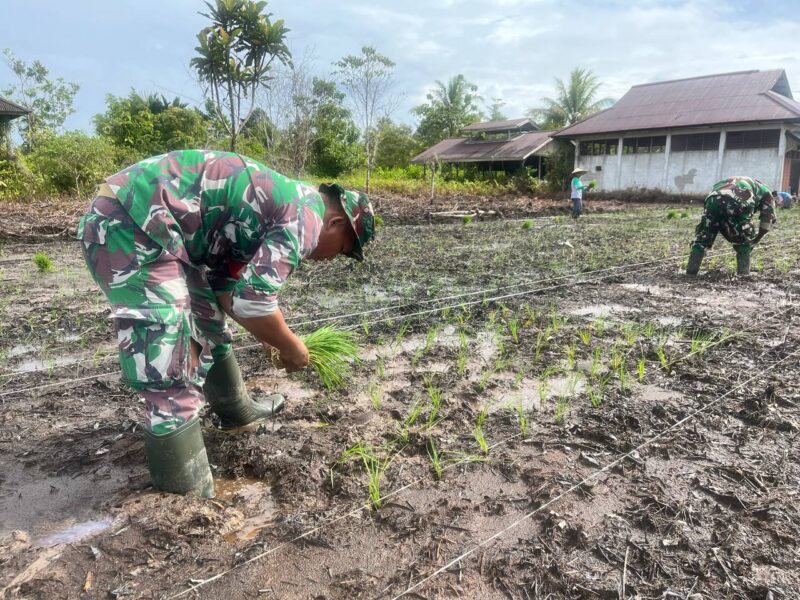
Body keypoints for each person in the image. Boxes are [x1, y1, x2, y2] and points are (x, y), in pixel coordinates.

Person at [78, 150, 375, 498]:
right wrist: (292, 346)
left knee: (209, 324)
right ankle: (186, 497)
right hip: (131, 223)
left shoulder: (290, 203)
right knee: (169, 368)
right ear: (336, 223)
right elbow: (255, 302)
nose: (331, 258)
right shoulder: (307, 217)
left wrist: (267, 333)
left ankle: (235, 410)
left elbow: (226, 289)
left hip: (161, 230)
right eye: (342, 250)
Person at [686, 176, 776, 276]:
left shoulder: (742, 181)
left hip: (713, 199)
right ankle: (743, 274)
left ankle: (691, 271)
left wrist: (731, 236)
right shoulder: (767, 192)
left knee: (704, 235)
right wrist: (755, 240)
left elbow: (722, 224)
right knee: (743, 239)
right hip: (738, 200)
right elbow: (767, 221)